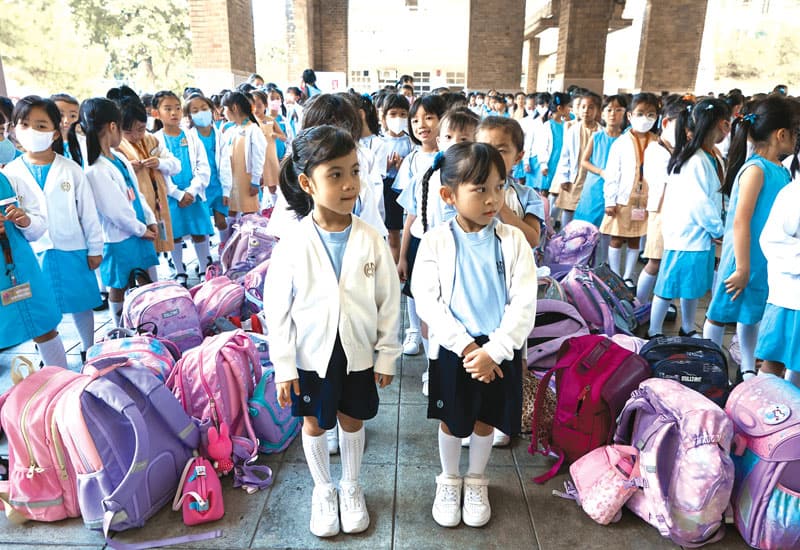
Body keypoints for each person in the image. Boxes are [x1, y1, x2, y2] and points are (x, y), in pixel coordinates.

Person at [266, 125, 400, 538]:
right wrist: (284, 366)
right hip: (311, 354)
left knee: (353, 417)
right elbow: (277, 309)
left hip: (357, 350)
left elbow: (389, 300)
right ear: (307, 183)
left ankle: (351, 485)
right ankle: (324, 488)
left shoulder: (370, 238)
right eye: (335, 174)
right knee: (314, 422)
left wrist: (387, 353)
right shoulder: (293, 242)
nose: (349, 184)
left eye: (354, 171)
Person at [411, 142, 537, 529]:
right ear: (449, 195)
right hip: (456, 350)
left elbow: (524, 302)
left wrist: (494, 350)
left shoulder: (513, 240)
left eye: (499, 187)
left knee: (486, 419)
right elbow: (427, 300)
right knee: (452, 419)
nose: (492, 199)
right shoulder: (435, 241)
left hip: (498, 350)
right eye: (480, 189)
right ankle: (450, 479)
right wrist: (467, 347)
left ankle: (477, 479)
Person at [704, 96, 798, 380]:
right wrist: (742, 268)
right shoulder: (756, 169)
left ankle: (746, 367)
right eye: (796, 132)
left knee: (751, 312)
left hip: (762, 259)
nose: (797, 139)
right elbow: (741, 220)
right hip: (743, 257)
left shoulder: (781, 169)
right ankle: (709, 366)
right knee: (719, 314)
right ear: (781, 134)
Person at [4, 96, 103, 362]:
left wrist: (95, 248)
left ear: (55, 133)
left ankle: (89, 347)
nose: (32, 132)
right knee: (44, 308)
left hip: (73, 247)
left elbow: (88, 212)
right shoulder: (10, 172)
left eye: (41, 125)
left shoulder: (71, 169)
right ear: (14, 129)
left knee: (81, 301)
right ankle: (48, 350)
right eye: (25, 124)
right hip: (35, 252)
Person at [69, 98, 158, 327]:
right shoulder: (95, 169)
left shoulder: (117, 157)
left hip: (137, 231)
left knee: (145, 278)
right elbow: (115, 212)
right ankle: (121, 327)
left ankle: (149, 320)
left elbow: (136, 192)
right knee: (119, 285)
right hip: (119, 239)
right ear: (112, 126)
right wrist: (141, 229)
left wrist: (149, 219)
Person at [647, 98, 731, 339]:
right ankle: (654, 330)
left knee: (691, 286)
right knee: (668, 286)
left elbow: (714, 197)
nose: (728, 129)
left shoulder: (710, 156)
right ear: (718, 124)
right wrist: (717, 229)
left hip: (699, 235)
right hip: (688, 235)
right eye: (726, 123)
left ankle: (687, 327)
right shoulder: (695, 160)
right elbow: (699, 203)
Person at [396, 95, 446, 360]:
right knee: (414, 290)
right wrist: (403, 255)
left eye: (429, 117)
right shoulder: (412, 161)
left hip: (446, 242)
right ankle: (414, 331)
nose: (421, 125)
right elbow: (410, 213)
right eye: (415, 120)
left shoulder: (454, 159)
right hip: (419, 238)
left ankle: (437, 355)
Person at [636, 96, 694, 308]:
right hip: (661, 211)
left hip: (676, 212)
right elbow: (662, 181)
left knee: (667, 262)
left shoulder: (678, 149)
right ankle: (639, 302)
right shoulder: (655, 149)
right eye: (683, 128)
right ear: (667, 123)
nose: (687, 134)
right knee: (655, 261)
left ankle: (659, 301)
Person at [152, 91, 213, 284]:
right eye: (168, 109)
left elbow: (203, 166)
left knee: (199, 231)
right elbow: (158, 173)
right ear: (156, 113)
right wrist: (177, 194)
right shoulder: (155, 140)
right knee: (174, 235)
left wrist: (192, 191)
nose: (174, 113)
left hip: (194, 195)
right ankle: (180, 271)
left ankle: (204, 268)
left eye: (177, 108)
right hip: (171, 197)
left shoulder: (192, 136)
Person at [600, 92, 661, 284]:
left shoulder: (657, 142)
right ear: (630, 116)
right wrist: (610, 201)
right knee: (617, 238)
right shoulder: (621, 142)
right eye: (640, 113)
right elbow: (612, 174)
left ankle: (627, 276)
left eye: (651, 114)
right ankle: (615, 274)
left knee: (635, 238)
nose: (645, 118)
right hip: (623, 199)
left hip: (645, 200)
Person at [113, 91, 178, 261]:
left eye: (141, 129)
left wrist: (159, 163)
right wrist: (128, 168)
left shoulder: (151, 139)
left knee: (157, 245)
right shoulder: (116, 146)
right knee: (143, 250)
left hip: (158, 202)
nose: (136, 136)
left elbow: (175, 165)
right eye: (128, 132)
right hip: (137, 206)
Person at [756, 147, 800, 387]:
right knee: (774, 361)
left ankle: (789, 407)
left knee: (796, 362)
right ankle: (757, 402)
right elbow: (772, 240)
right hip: (790, 296)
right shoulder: (793, 194)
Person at [476, 116, 544, 249]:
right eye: (484, 148)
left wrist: (499, 203)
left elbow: (532, 240)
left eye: (501, 151)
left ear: (518, 157)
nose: (491, 156)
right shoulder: (465, 191)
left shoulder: (528, 196)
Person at [574, 95, 625, 240]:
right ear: (602, 114)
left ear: (625, 114)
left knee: (608, 227)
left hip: (616, 187)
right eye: (609, 110)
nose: (613, 114)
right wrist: (600, 172)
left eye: (618, 110)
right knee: (586, 228)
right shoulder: (596, 136)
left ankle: (603, 255)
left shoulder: (625, 139)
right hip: (594, 186)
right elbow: (584, 161)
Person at [184, 94, 232, 241]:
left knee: (221, 222)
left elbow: (225, 164)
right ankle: (206, 253)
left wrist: (226, 190)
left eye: (204, 109)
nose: (201, 113)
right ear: (190, 116)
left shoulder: (219, 136)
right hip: (200, 187)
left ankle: (225, 247)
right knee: (202, 228)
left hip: (217, 185)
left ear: (211, 110)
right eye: (195, 110)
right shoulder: (188, 137)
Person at [554, 92, 601, 229]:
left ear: (597, 111)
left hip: (590, 176)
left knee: (588, 209)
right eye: (583, 107)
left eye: (591, 107)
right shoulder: (573, 130)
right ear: (578, 109)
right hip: (574, 176)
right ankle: (565, 235)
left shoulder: (600, 132)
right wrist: (564, 177)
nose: (586, 111)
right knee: (569, 207)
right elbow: (565, 155)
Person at [219, 91, 267, 219]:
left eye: (225, 108)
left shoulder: (253, 130)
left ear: (234, 108)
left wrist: (255, 181)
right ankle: (231, 232)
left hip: (246, 180)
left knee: (248, 212)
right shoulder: (231, 130)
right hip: (231, 180)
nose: (223, 113)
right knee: (231, 210)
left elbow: (258, 157)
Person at [377, 93, 413, 262]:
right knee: (382, 229)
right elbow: (374, 170)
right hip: (384, 186)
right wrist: (385, 166)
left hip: (401, 187)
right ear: (384, 117)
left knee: (395, 232)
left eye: (403, 114)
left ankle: (396, 264)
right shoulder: (380, 141)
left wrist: (402, 168)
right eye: (393, 114)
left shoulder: (411, 142)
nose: (398, 118)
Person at [533, 92, 571, 204]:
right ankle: (542, 211)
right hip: (550, 163)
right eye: (568, 106)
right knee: (545, 191)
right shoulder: (548, 125)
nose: (569, 109)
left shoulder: (566, 125)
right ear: (560, 108)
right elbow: (542, 147)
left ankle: (550, 212)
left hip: (561, 163)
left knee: (556, 191)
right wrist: (543, 164)